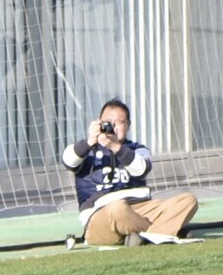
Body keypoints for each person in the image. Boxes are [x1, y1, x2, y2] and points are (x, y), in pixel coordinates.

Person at [61, 98, 198, 247]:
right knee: (118, 208)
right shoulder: (86, 150)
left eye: (119, 123)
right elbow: (68, 160)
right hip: (101, 214)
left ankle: (142, 236)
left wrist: (116, 147)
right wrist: (90, 141)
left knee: (187, 201)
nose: (112, 127)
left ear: (128, 125)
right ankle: (164, 232)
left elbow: (141, 170)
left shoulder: (137, 149)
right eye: (107, 122)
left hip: (140, 208)